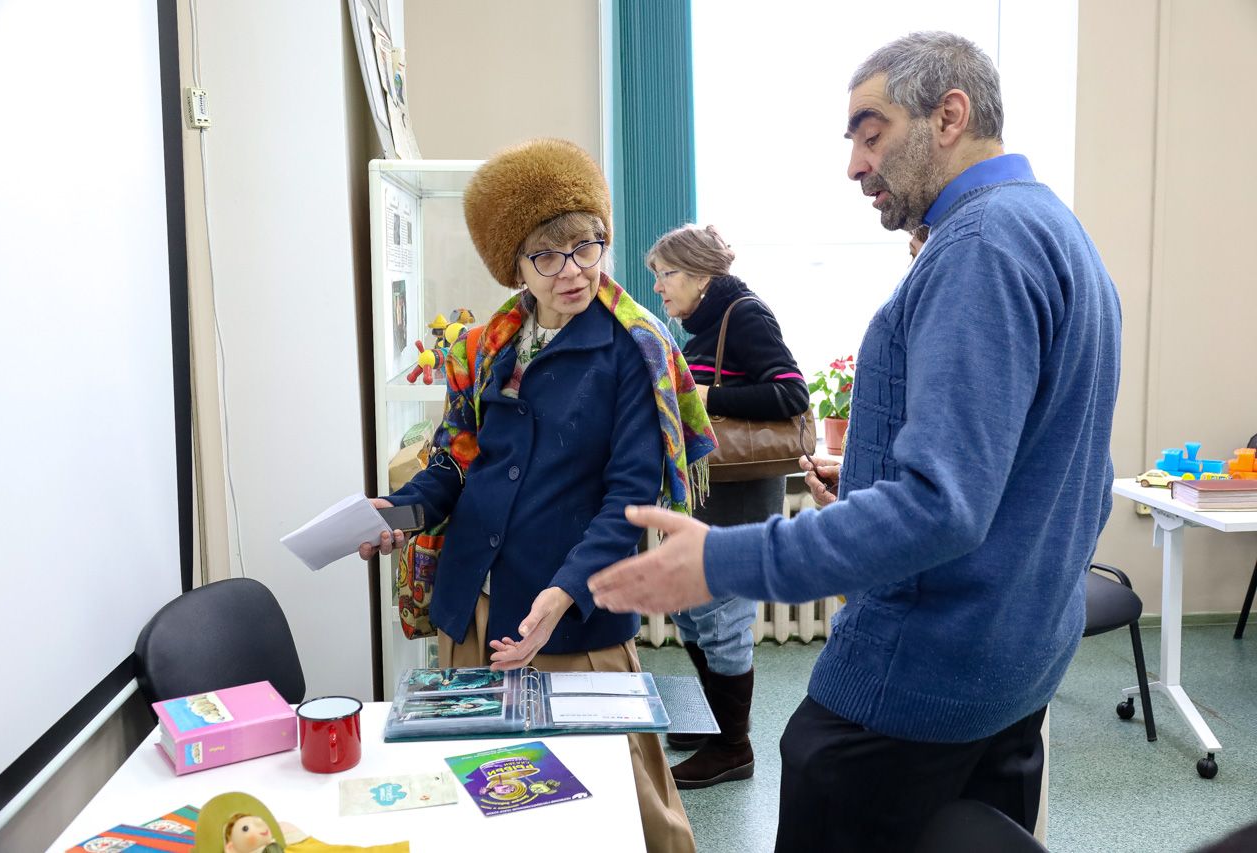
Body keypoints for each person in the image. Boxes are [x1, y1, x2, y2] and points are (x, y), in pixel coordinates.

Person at [588, 31, 1121, 852]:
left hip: (916, 687)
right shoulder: (1055, 229)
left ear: (949, 116)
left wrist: (723, 559)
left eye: (871, 134)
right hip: (1013, 670)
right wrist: (871, 475)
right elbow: (1059, 468)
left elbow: (943, 507)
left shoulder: (978, 247)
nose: (854, 165)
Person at [360, 138, 711, 853]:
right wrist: (402, 513)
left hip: (571, 619)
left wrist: (562, 594)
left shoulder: (634, 349)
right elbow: (456, 463)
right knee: (482, 800)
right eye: (546, 255)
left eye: (585, 246)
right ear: (513, 265)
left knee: (620, 810)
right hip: (473, 612)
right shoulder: (485, 345)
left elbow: (629, 500)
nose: (572, 270)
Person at [644, 223, 809, 789]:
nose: (658, 287)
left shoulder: (744, 315)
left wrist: (707, 395)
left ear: (699, 274)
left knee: (722, 615)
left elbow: (791, 392)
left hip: (737, 497)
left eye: (665, 275)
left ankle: (734, 747)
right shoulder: (704, 325)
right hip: (706, 494)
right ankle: (717, 724)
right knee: (688, 607)